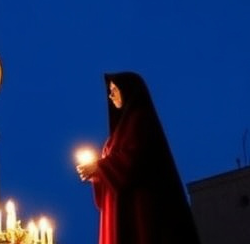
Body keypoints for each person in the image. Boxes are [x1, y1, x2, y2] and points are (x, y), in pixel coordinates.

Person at [76, 72, 201, 244]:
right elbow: (114, 169)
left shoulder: (140, 120)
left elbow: (137, 159)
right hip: (117, 209)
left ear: (127, 90)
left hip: (137, 211)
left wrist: (101, 167)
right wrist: (97, 175)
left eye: (114, 89)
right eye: (110, 91)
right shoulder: (115, 136)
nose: (110, 95)